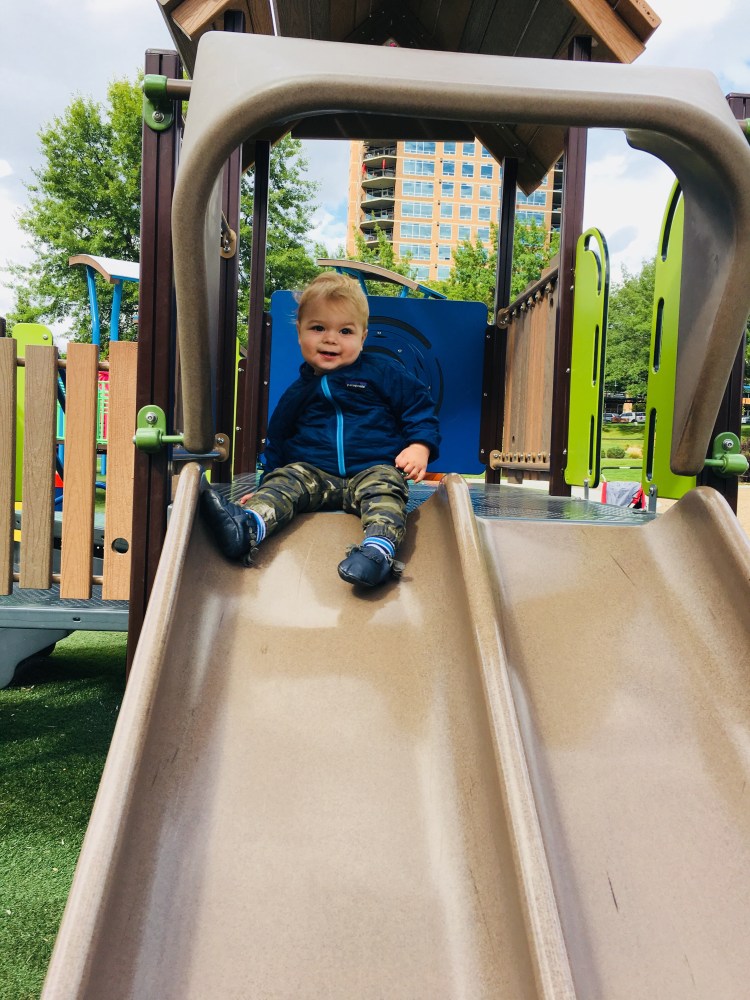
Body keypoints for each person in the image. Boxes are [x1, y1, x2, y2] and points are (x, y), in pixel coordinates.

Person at [200, 271, 440, 588]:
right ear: (300, 333)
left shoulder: (382, 372)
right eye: (318, 328)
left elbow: (418, 405)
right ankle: (249, 526)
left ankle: (378, 551)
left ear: (363, 337)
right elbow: (278, 441)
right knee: (286, 480)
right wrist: (266, 483)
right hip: (314, 475)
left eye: (345, 331)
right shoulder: (298, 392)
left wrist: (420, 445)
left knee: (387, 490)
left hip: (372, 468)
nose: (330, 338)